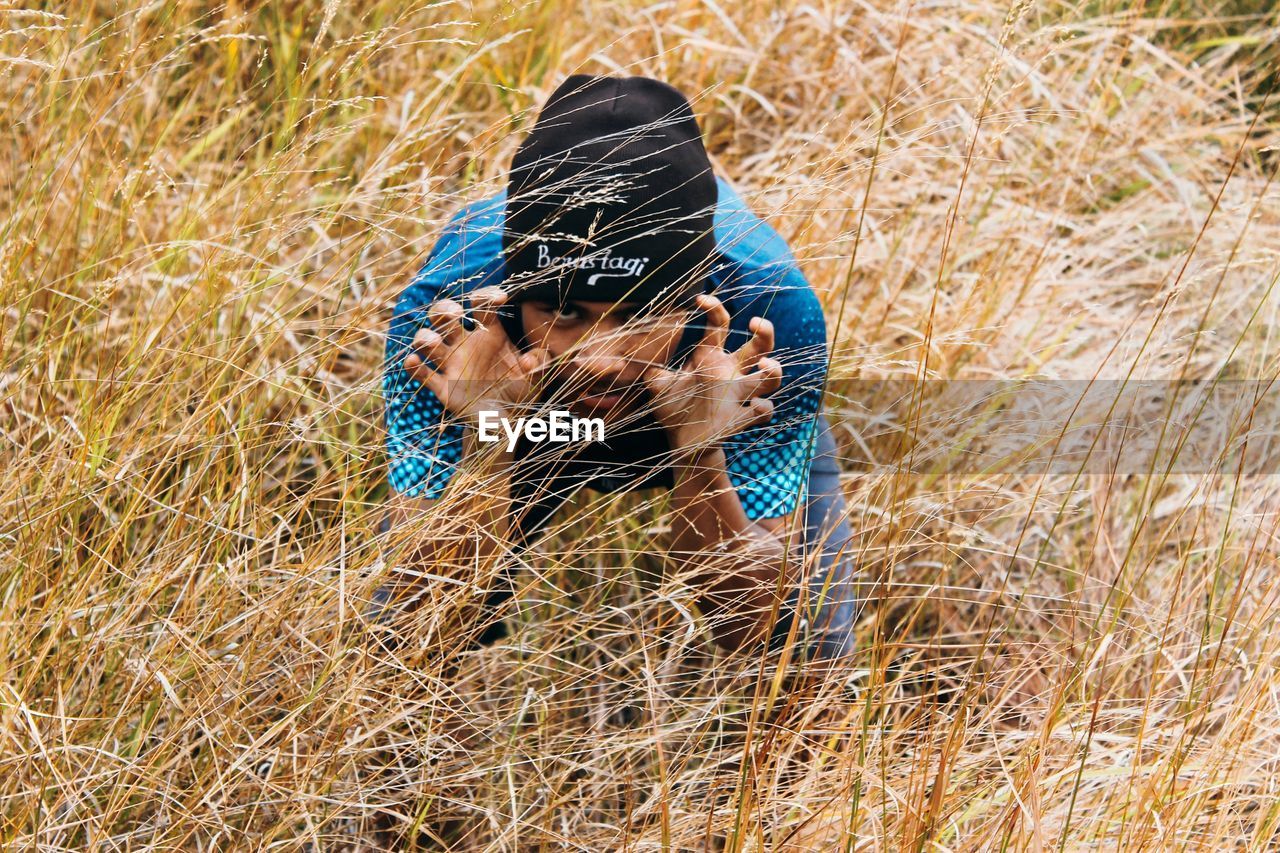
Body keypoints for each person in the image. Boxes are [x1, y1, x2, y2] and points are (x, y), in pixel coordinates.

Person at [374, 73, 860, 665]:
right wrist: (491, 438)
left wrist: (701, 453)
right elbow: (425, 614)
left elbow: (754, 636)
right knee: (400, 644)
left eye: (640, 313)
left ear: (697, 300)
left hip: (698, 405)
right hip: (526, 415)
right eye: (564, 309)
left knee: (805, 655)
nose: (599, 359)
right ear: (509, 295)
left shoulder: (767, 311)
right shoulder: (451, 313)